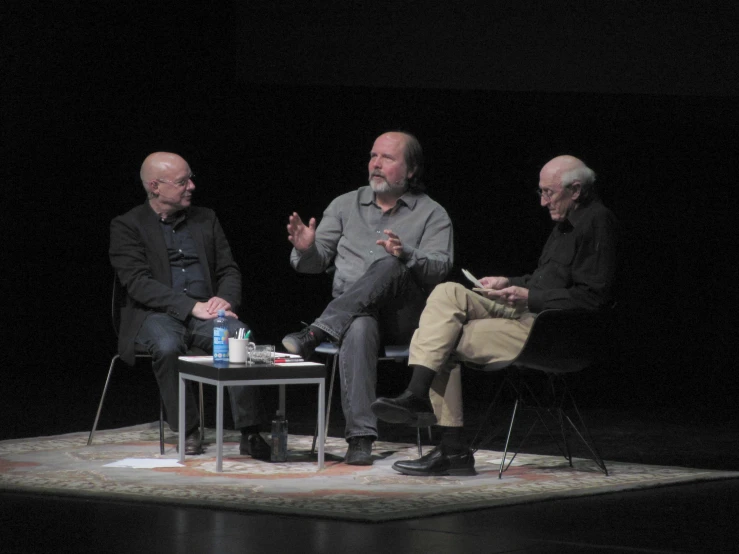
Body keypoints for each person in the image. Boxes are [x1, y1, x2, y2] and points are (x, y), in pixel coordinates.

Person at [371, 155, 618, 476]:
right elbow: (548, 280)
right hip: (530, 310)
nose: (543, 202)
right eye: (540, 192)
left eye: (549, 193)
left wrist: (530, 295)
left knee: (439, 338)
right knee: (448, 293)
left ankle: (452, 449)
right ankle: (415, 396)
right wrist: (510, 284)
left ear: (575, 190)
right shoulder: (564, 224)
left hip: (556, 331)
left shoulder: (599, 221)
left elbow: (593, 297)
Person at [282, 131, 454, 465]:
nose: (376, 164)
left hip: (404, 319)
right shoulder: (345, 204)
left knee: (390, 262)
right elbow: (315, 263)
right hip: (353, 319)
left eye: (387, 158)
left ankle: (316, 332)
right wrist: (305, 250)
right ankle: (360, 438)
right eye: (373, 156)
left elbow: (440, 271)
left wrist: (407, 255)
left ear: (412, 170)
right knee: (358, 325)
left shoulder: (433, 214)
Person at [109, 152, 269, 458]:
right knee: (168, 346)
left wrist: (226, 298)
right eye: (183, 181)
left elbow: (229, 269)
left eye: (190, 178)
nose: (192, 186)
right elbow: (138, 283)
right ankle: (189, 430)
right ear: (155, 186)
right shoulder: (127, 225)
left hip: (207, 312)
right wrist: (189, 306)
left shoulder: (206, 218)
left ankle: (251, 431)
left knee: (240, 338)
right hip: (153, 314)